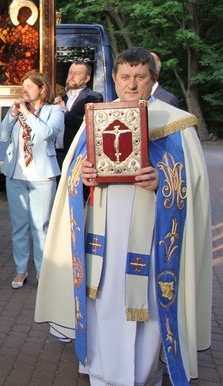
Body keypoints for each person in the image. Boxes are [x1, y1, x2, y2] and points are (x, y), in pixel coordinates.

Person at [35, 47, 211, 384]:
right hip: (101, 236)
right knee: (102, 300)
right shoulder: (96, 118)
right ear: (114, 79)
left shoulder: (176, 124)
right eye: (125, 77)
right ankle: (101, 373)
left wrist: (164, 182)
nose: (132, 84)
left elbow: (195, 187)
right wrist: (82, 179)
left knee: (148, 308)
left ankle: (146, 375)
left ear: (152, 80)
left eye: (140, 77)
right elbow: (72, 180)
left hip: (152, 238)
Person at [0, 71, 64, 289]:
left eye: (29, 86)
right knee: (19, 226)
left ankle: (43, 273)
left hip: (42, 177)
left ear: (42, 88)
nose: (24, 90)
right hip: (16, 176)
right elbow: (1, 136)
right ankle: (20, 270)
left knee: (40, 227)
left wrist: (27, 112)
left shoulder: (55, 111)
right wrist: (12, 115)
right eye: (22, 86)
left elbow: (46, 134)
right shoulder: (18, 111)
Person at [54, 62, 104, 168]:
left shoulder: (94, 97)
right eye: (70, 72)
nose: (71, 76)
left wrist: (64, 111)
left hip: (77, 154)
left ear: (86, 79)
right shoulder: (61, 98)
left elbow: (88, 124)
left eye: (77, 73)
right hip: (57, 155)